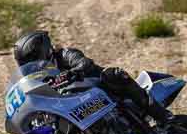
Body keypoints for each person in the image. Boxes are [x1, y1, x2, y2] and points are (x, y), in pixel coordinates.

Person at [13, 30, 171, 124]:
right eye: (27, 63)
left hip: (100, 89)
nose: (33, 65)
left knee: (115, 75)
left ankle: (164, 117)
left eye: (33, 60)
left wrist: (73, 71)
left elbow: (84, 62)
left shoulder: (64, 55)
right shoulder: (39, 77)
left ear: (43, 51)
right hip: (72, 106)